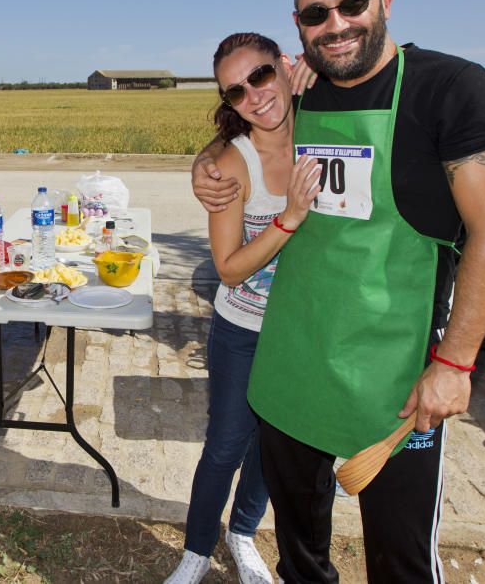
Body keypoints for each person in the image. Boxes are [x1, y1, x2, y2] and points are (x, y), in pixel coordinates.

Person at [191, 0, 485, 583]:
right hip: (292, 367)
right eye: (316, 15)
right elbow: (252, 125)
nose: (335, 24)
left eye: (350, 4)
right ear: (299, 28)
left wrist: (454, 363)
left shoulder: (449, 89)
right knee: (302, 551)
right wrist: (208, 163)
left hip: (394, 383)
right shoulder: (304, 91)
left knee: (399, 561)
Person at [165, 33, 320, 584]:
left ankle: (242, 533)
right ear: (229, 103)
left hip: (304, 333)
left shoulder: (325, 127)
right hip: (244, 330)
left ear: (285, 67)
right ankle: (196, 551)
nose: (254, 95)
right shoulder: (230, 163)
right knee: (227, 443)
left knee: (274, 445)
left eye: (261, 75)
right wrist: (290, 217)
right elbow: (228, 268)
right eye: (236, 90)